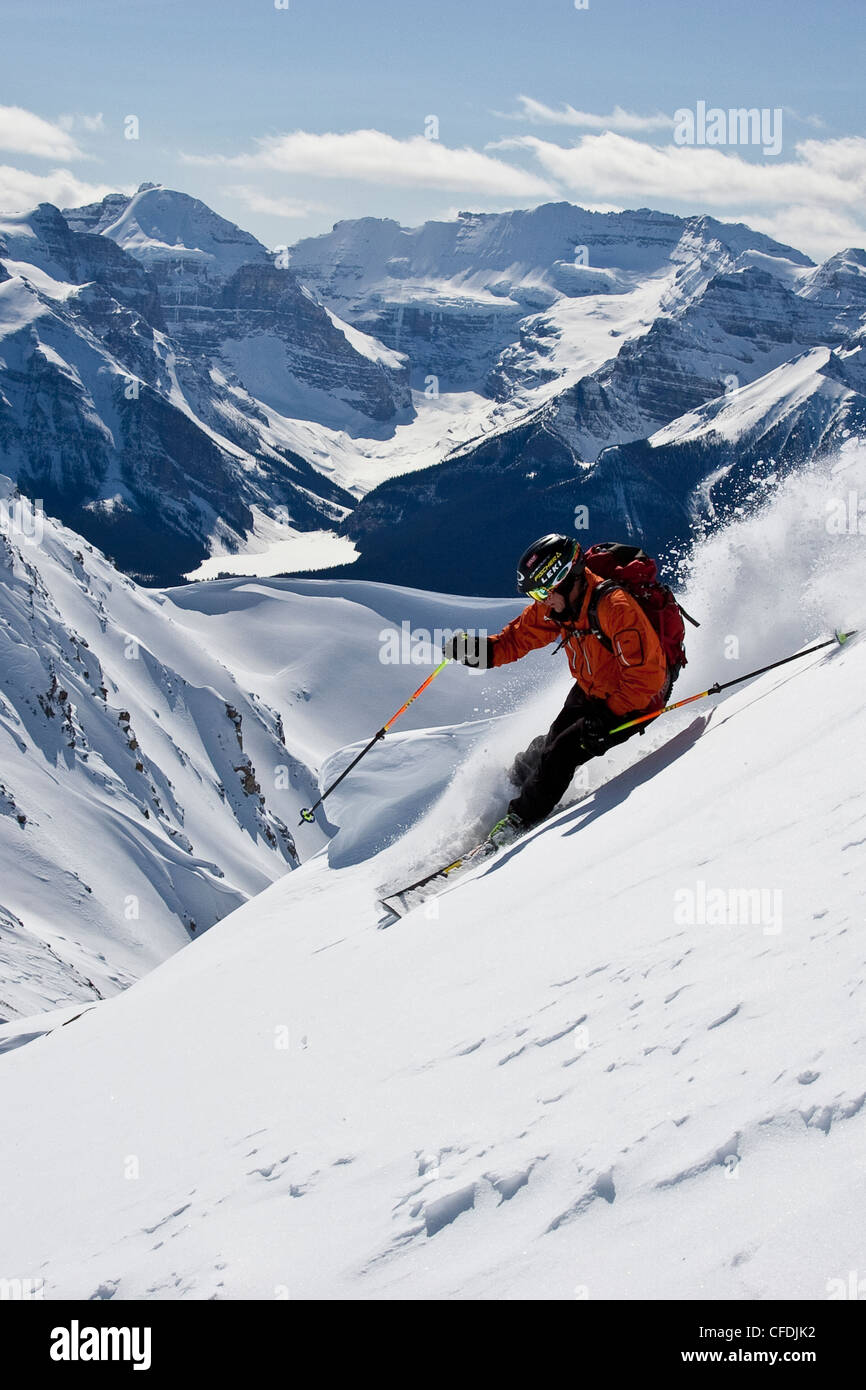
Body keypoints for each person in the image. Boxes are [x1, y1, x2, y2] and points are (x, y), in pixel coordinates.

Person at [443, 534, 673, 849]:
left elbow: (647, 676)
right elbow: (515, 640)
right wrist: (478, 651)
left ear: (566, 579)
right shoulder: (560, 605)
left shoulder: (615, 607)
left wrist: (608, 718)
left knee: (563, 752)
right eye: (535, 594)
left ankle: (518, 822)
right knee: (548, 744)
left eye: (542, 591)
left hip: (638, 698)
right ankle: (512, 783)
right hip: (595, 686)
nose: (541, 601)